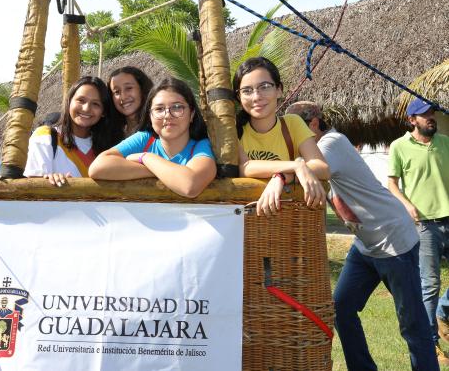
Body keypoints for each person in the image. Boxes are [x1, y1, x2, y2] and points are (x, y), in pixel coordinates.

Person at [287, 100, 440, 371]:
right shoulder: (321, 146)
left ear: (313, 124)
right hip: (365, 245)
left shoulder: (330, 143)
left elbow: (310, 171)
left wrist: (285, 167)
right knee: (341, 308)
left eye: (293, 129)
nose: (289, 137)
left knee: (413, 324)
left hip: (394, 240)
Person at [388, 97, 449, 359]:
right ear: (412, 120)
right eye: (425, 114)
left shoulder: (445, 142)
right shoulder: (399, 146)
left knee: (433, 288)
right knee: (430, 284)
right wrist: (407, 205)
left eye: (432, 113)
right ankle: (430, 342)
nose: (431, 118)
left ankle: (443, 312)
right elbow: (392, 183)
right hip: (424, 225)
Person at [232, 56, 329, 216]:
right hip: (241, 221)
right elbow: (245, 168)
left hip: (286, 221)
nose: (256, 97)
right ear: (239, 97)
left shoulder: (292, 123)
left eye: (264, 87)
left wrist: (282, 176)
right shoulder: (233, 129)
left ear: (279, 90)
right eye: (247, 91)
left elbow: (322, 168)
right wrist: (297, 166)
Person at [89, 77, 216, 198]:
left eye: (177, 107)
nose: (167, 115)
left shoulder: (202, 145)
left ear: (192, 114)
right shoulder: (144, 139)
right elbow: (97, 168)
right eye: (159, 109)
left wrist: (145, 158)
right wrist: (157, 171)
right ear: (150, 116)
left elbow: (190, 186)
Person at [24, 76, 123, 186]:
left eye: (95, 104)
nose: (86, 108)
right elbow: (34, 184)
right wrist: (53, 182)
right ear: (69, 101)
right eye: (81, 100)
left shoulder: (109, 147)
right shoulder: (45, 136)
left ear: (103, 112)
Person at [108, 66, 153, 137]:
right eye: (116, 92)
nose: (123, 97)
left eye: (129, 88)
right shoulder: (109, 135)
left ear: (142, 89)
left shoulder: (158, 128)